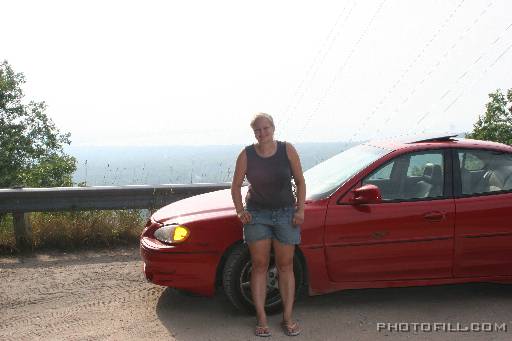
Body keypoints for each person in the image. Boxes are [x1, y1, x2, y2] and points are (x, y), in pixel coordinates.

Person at [231, 113, 306, 337]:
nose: (262, 133)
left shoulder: (287, 150)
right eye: (257, 130)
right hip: (257, 215)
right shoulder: (247, 154)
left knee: (285, 266)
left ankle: (288, 317)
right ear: (254, 132)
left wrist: (300, 210)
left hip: (286, 214)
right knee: (260, 265)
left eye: (266, 128)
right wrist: (240, 211)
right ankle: (262, 318)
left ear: (273, 128)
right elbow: (235, 187)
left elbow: (301, 181)